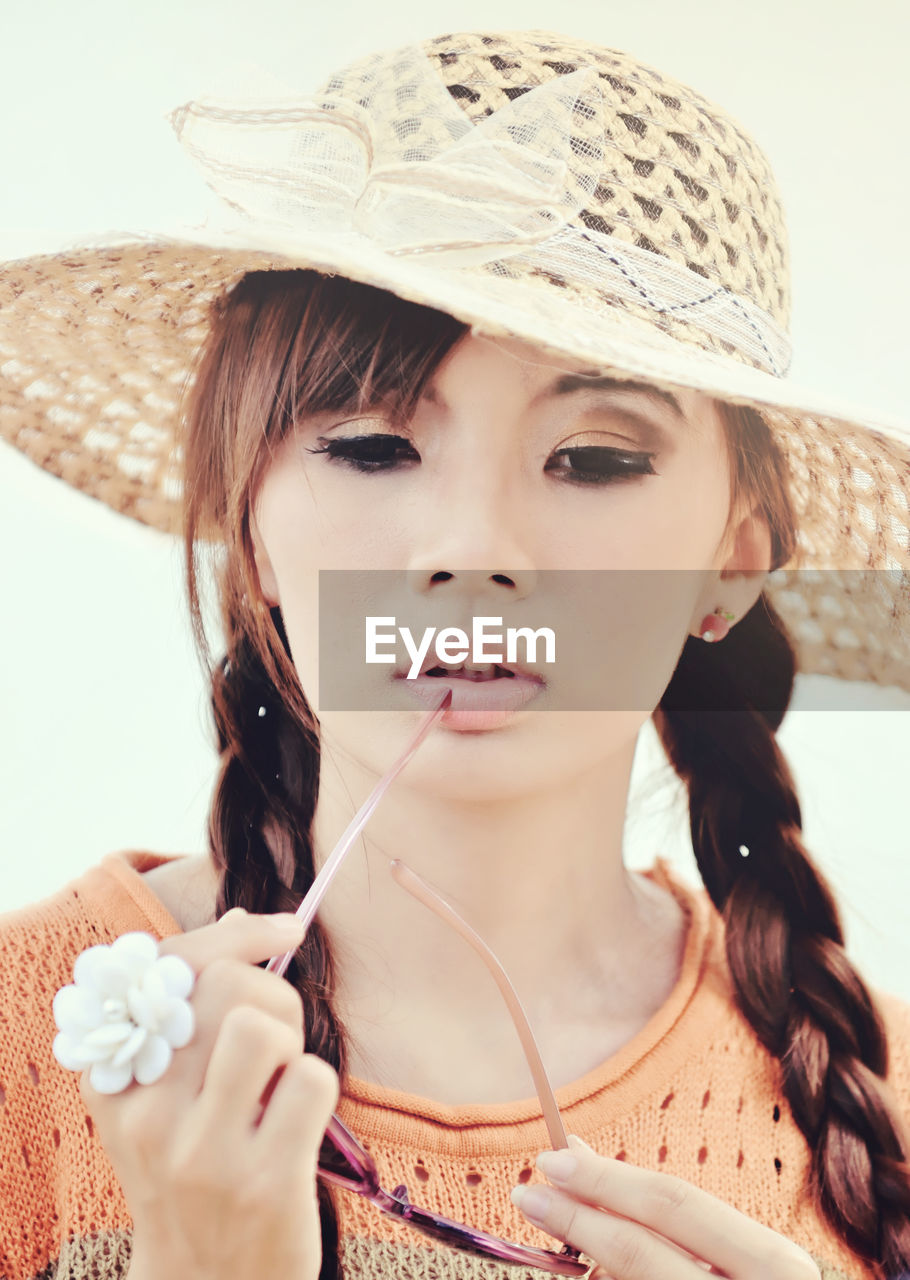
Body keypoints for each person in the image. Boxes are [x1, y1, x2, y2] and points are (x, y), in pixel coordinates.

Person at [1, 26, 910, 1280]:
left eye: (595, 457)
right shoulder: (30, 1043)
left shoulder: (877, 1108)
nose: (475, 548)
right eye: (371, 446)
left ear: (733, 561)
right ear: (250, 528)